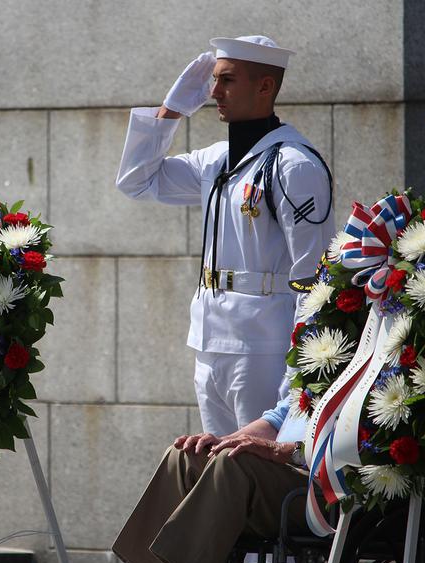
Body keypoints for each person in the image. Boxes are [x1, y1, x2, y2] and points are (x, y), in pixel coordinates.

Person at [116, 35, 334, 436]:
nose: (213, 92)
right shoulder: (215, 158)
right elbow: (136, 181)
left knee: (262, 477)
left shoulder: (294, 165)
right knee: (220, 479)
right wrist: (170, 112)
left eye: (227, 80)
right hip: (210, 341)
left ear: (265, 86)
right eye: (214, 80)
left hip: (263, 348)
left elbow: (316, 281)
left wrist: (295, 384)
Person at [112, 394, 310, 563]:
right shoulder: (324, 365)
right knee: (186, 453)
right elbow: (278, 418)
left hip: (319, 487)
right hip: (282, 469)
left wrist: (280, 450)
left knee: (232, 461)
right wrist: (221, 441)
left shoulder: (341, 372)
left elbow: (338, 451)